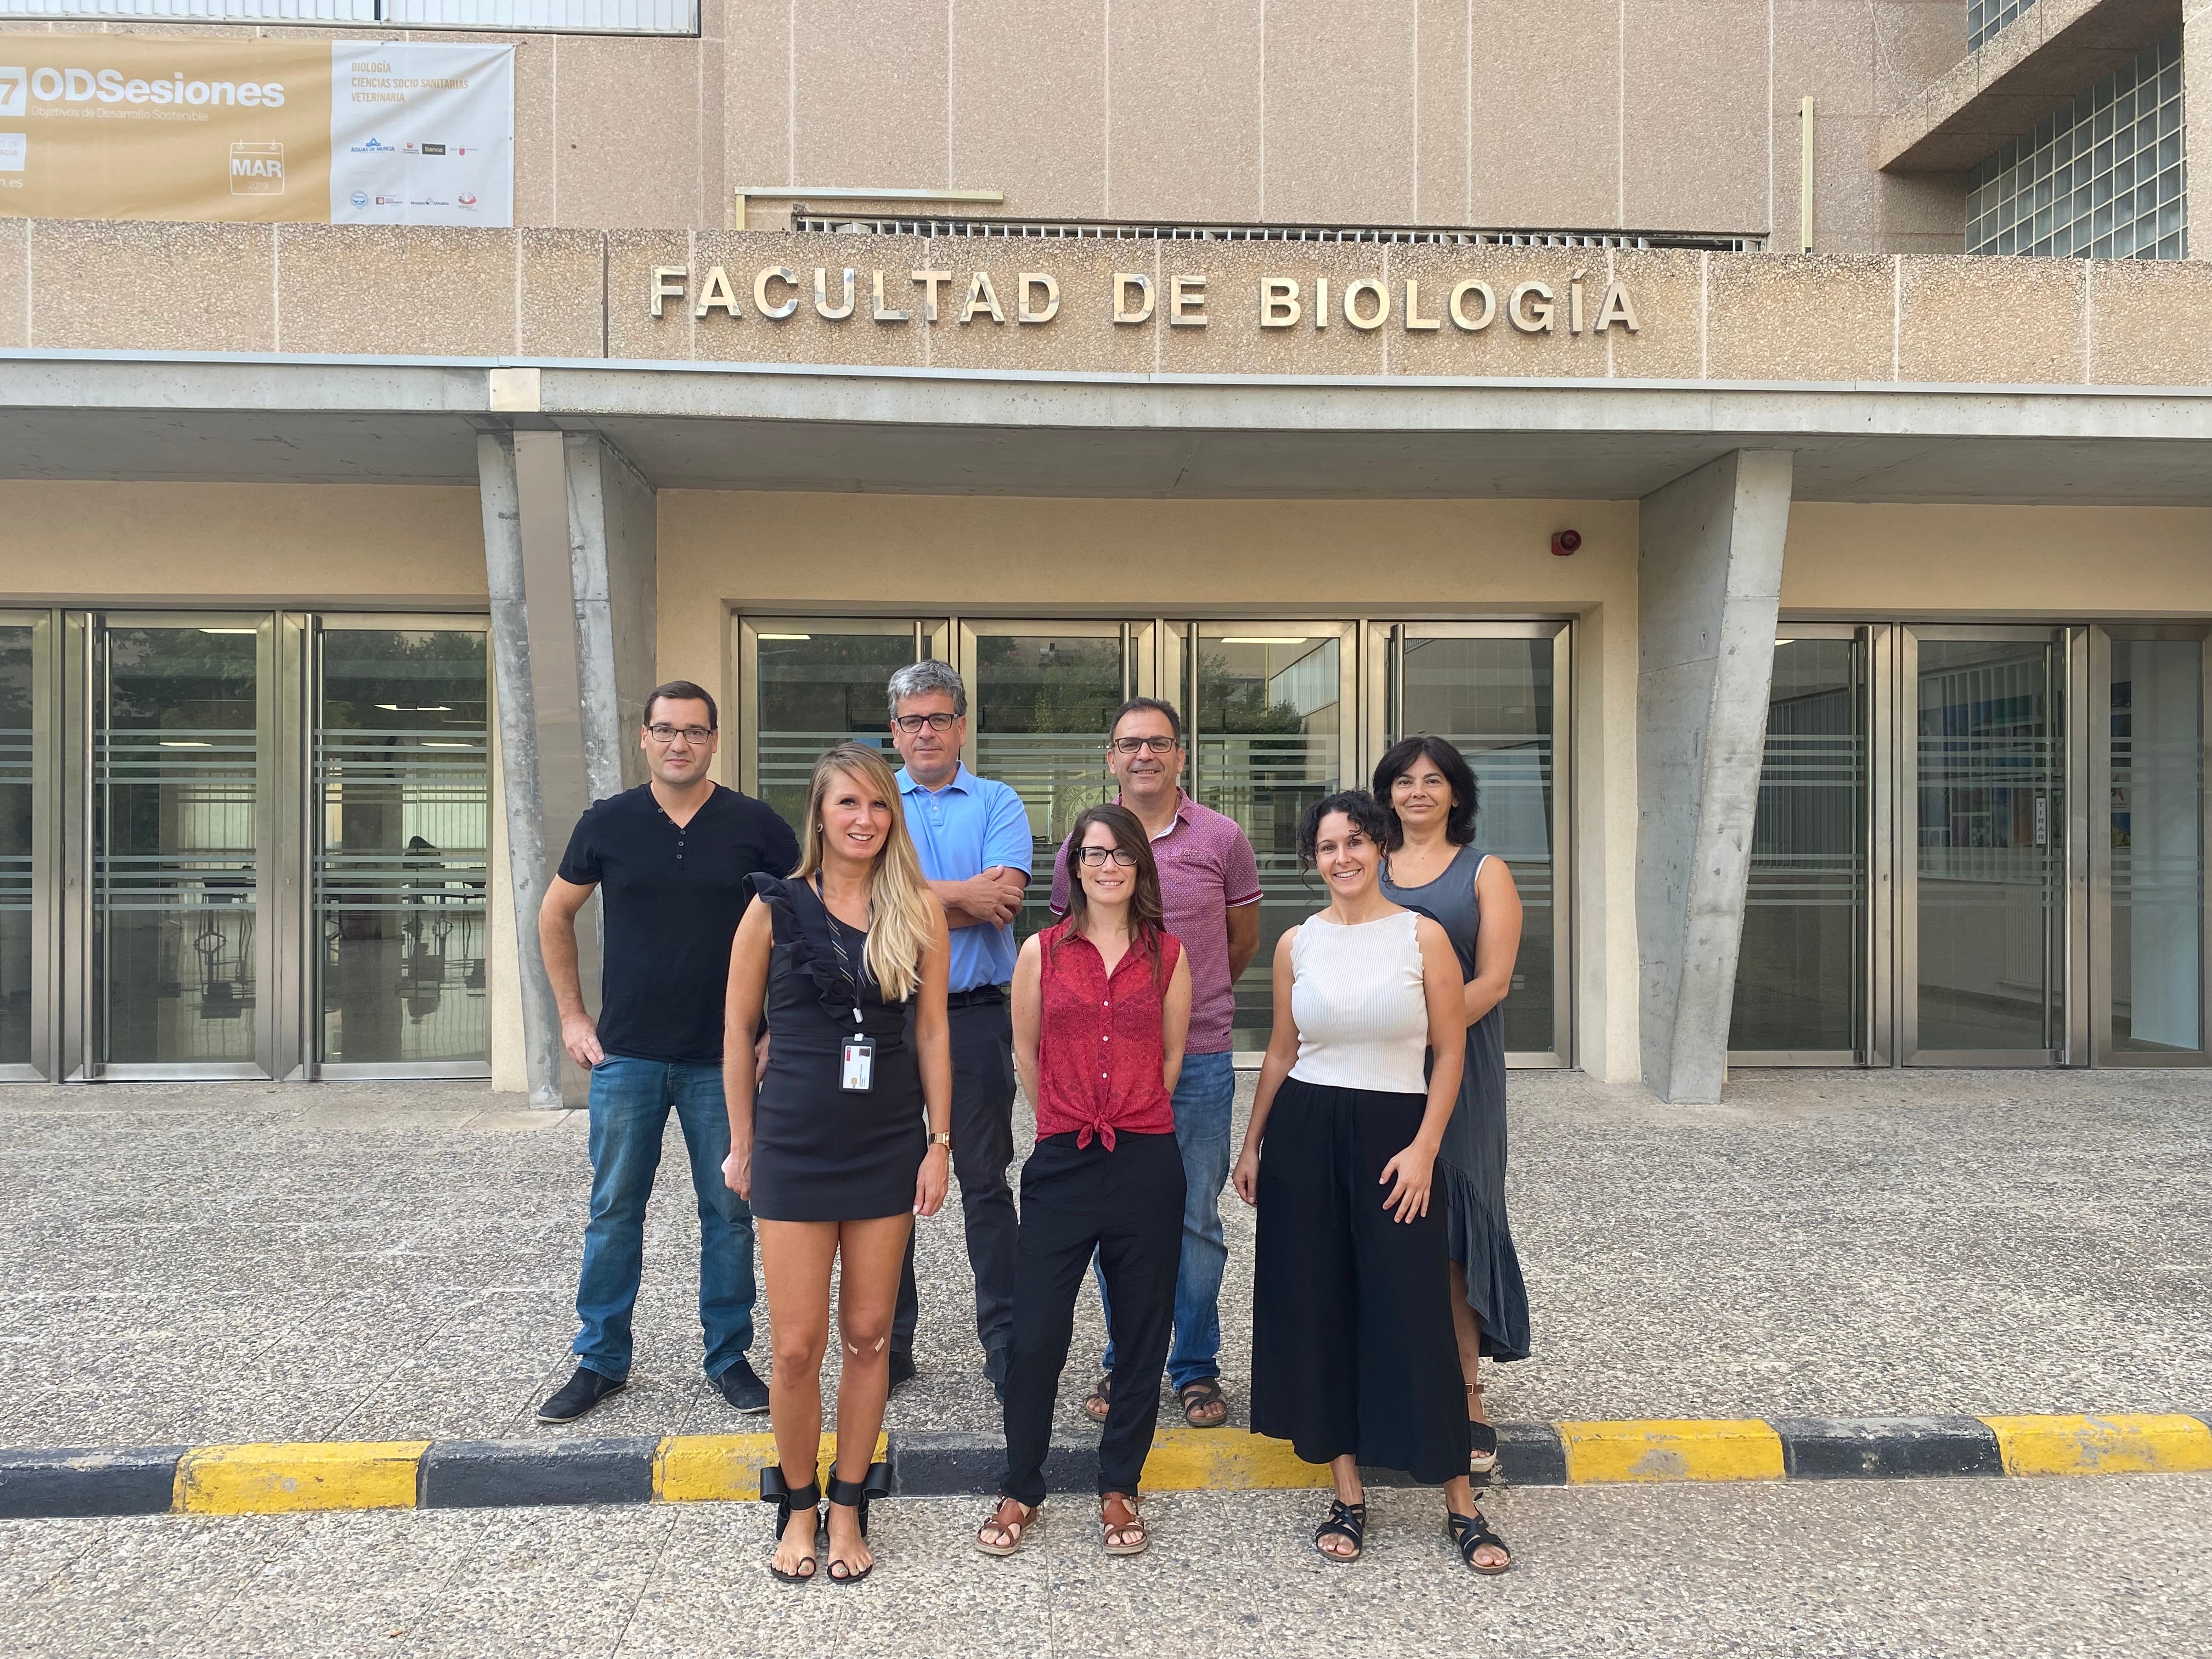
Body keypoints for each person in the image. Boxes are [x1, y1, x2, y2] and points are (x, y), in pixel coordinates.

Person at [1233, 790, 1511, 1575]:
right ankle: (1347, 1493)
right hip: (1306, 1135)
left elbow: (1450, 1053)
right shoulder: (1298, 945)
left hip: (1397, 1137)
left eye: (1356, 841)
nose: (1343, 857)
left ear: (1382, 847)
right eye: (1327, 846)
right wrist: (1253, 1144)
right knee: (1320, 1307)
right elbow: (1284, 1052)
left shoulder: (1423, 938)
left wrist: (1426, 1148)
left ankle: (1462, 1503)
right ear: (1312, 859)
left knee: (1414, 1311)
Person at [721, 742, 952, 1584]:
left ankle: (849, 1504)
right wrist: (742, 1144)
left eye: (879, 805)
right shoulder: (773, 909)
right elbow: (735, 1035)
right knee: (793, 1348)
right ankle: (798, 1505)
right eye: (848, 804)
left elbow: (932, 1032)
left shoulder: (917, 909)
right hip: (791, 1143)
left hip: (887, 1142)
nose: (864, 820)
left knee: (869, 1338)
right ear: (819, 814)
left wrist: (940, 1143)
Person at [536, 680, 797, 1425]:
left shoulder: (755, 826)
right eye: (665, 730)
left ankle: (729, 1358)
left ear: (714, 740)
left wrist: (780, 1026)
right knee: (615, 1208)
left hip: (728, 1061)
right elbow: (555, 915)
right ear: (644, 739)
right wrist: (572, 1017)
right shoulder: (608, 823)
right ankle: (600, 1360)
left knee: (730, 1210)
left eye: (694, 731)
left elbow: (800, 919)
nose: (679, 743)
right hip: (629, 1057)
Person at [976, 804, 1193, 1560]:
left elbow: (1170, 1060)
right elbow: (1026, 1051)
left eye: (1121, 855)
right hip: (1064, 1159)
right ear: (1073, 867)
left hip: (1145, 1159)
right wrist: (1062, 1121)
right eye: (1093, 854)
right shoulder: (1040, 951)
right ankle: (1021, 1484)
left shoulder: (1168, 954)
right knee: (1036, 1335)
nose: (1107, 867)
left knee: (1141, 1333)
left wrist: (1128, 1113)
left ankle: (1118, 1483)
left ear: (1140, 866)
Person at [1051, 697, 1260, 1432]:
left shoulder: (1224, 839)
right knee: (1122, 1221)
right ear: (1110, 758)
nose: (1144, 755)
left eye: (1158, 743)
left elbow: (1239, 941)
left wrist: (1181, 1000)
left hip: (1199, 1058)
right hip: (1110, 1071)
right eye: (1129, 744)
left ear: (1180, 756)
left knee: (1195, 1219)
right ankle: (1126, 1357)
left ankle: (1195, 1366)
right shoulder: (1085, 843)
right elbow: (1067, 949)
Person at [1374, 736, 1531, 1479]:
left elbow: (1494, 981)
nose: (1417, 793)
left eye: (1433, 781)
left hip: (1460, 1071)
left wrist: (1418, 1033)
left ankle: (1468, 1393)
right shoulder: (1366, 868)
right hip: (1374, 1074)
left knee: (1454, 1232)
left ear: (1457, 795)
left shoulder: (1485, 873)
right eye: (1404, 782)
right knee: (1387, 1227)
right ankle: (1397, 1383)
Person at [884, 659, 1032, 1398]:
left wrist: (909, 894)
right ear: (894, 731)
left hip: (975, 1020)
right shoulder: (874, 802)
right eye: (912, 721)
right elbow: (863, 899)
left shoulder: (1000, 801)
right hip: (885, 1018)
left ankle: (1004, 1342)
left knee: (983, 1183)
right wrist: (955, 894)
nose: (926, 732)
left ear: (962, 726)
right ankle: (889, 1341)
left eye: (939, 718)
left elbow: (1002, 900)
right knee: (884, 1185)